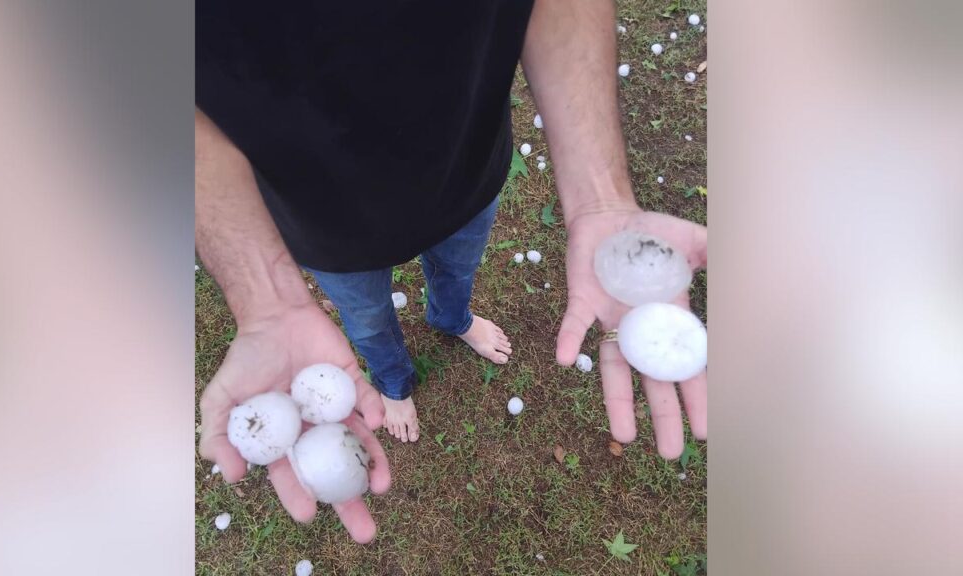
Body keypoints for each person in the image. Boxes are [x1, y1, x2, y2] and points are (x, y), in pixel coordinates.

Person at [196, 0, 707, 543]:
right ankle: (393, 381)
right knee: (366, 319)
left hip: (464, 174)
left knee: (457, 273)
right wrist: (265, 299)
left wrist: (601, 199)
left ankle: (452, 319)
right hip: (320, 222)